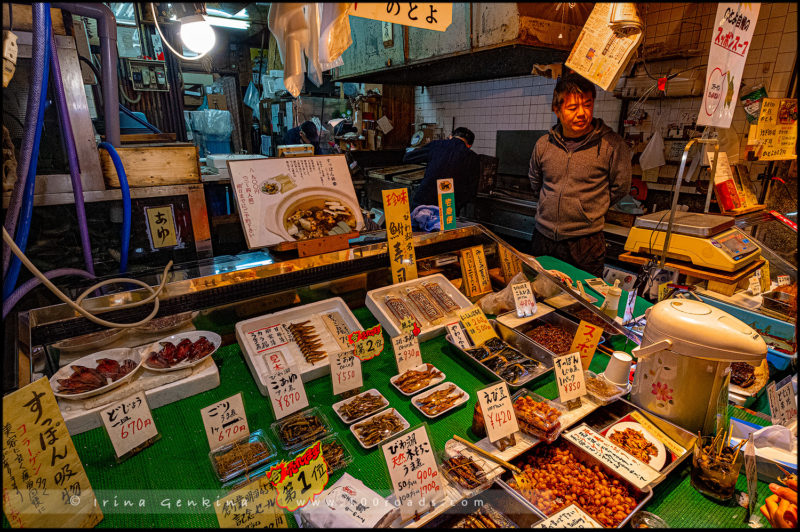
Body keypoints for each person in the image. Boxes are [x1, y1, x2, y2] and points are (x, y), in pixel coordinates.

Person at [528, 73, 632, 277]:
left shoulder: (612, 145)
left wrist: (588, 208)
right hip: (543, 237)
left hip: (585, 243)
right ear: (557, 110)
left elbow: (620, 188)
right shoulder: (543, 144)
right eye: (573, 108)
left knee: (582, 302)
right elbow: (535, 180)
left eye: (588, 105)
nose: (582, 113)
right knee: (539, 294)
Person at [402, 127, 480, 213]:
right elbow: (472, 190)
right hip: (448, 206)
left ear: (451, 136)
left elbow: (408, 157)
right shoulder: (473, 157)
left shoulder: (436, 145)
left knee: (418, 223)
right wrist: (458, 204)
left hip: (424, 201)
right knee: (444, 226)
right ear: (469, 145)